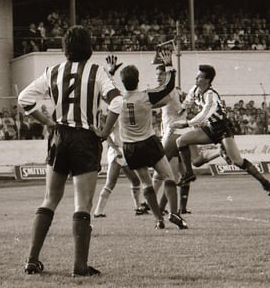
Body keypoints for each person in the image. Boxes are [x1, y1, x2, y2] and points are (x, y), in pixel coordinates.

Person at [17, 25, 122, 277]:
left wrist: (48, 122)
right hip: (84, 138)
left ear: (65, 49)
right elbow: (117, 101)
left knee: (50, 198)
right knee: (82, 202)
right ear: (89, 47)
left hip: (59, 136)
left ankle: (32, 259)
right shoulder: (96, 71)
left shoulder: (53, 71)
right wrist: (105, 131)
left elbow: (24, 99)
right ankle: (80, 266)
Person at [105, 50, 189, 230]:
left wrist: (110, 72)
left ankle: (159, 219)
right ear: (137, 80)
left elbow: (103, 89)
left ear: (124, 81)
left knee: (146, 183)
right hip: (148, 142)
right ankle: (174, 213)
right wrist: (169, 65)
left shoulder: (117, 99)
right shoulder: (145, 96)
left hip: (130, 147)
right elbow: (167, 87)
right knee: (168, 176)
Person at [172, 65, 270, 196]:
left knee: (237, 161)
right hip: (209, 127)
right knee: (184, 144)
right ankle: (189, 173)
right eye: (197, 76)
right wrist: (181, 109)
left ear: (207, 80)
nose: (196, 78)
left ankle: (265, 182)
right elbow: (188, 101)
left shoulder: (211, 96)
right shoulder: (195, 89)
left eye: (200, 77)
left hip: (222, 128)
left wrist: (186, 123)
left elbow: (205, 114)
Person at [151, 64, 220, 215]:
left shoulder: (170, 92)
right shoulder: (175, 92)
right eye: (157, 74)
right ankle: (220, 151)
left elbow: (163, 100)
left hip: (175, 133)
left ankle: (153, 206)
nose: (158, 77)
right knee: (191, 165)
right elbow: (185, 103)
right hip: (183, 132)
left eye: (161, 74)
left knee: (165, 170)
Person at [93, 55, 148, 218]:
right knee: (121, 181)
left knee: (130, 181)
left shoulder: (119, 104)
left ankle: (137, 207)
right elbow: (107, 132)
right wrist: (115, 148)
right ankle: (99, 211)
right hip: (120, 150)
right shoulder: (119, 109)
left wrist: (110, 73)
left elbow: (109, 92)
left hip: (121, 149)